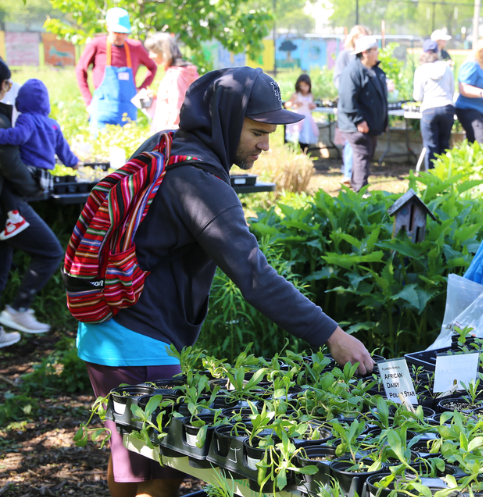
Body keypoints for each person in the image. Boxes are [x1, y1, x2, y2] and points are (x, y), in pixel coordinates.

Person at [76, 67, 374, 497]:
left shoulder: (169, 147)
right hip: (136, 343)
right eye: (256, 131)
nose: (265, 144)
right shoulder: (201, 182)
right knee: (161, 469)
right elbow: (254, 276)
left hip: (108, 330)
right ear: (226, 121)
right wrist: (331, 334)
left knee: (130, 456)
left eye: (270, 133)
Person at [0, 61, 64, 338]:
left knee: (1, 265)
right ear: (3, 85)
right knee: (50, 251)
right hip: (6, 204)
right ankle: (18, 309)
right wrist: (33, 188)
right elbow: (10, 163)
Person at [0, 79, 79, 240]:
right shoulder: (53, 124)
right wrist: (74, 163)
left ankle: (14, 218)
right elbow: (63, 150)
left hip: (28, 171)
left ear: (20, 101)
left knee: (5, 186)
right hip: (44, 177)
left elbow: (17, 137)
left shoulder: (27, 119)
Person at [75, 8, 158, 129]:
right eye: (117, 32)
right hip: (102, 110)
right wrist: (88, 101)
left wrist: (140, 89)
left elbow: (152, 67)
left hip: (128, 110)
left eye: (124, 33)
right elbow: (80, 70)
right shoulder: (97, 45)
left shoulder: (135, 47)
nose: (121, 36)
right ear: (107, 27)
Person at [338, 36, 389, 194]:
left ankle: (358, 189)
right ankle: (360, 193)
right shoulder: (353, 71)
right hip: (357, 126)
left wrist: (383, 121)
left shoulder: (375, 71)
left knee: (366, 155)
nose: (378, 52)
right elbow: (347, 98)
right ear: (365, 52)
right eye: (375, 49)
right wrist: (359, 120)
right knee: (362, 154)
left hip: (371, 125)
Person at [334, 25, 371, 188]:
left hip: (364, 107)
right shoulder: (345, 56)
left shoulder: (367, 57)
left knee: (357, 143)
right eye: (359, 38)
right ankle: (348, 173)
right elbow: (338, 80)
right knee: (351, 141)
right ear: (353, 39)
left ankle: (354, 176)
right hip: (349, 107)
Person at [143, 33, 200, 133]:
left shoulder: (176, 75)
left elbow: (177, 108)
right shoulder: (180, 72)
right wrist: (157, 97)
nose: (150, 56)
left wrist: (170, 137)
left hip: (172, 135)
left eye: (153, 52)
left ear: (164, 52)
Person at [413, 39, 455, 169]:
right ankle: (444, 177)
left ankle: (430, 180)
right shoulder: (447, 68)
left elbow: (417, 96)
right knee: (444, 145)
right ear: (437, 52)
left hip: (429, 110)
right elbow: (452, 91)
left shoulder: (421, 70)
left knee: (431, 146)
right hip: (447, 108)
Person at [454, 34, 483, 145]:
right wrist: (482, 93)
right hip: (468, 109)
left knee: (473, 143)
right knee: (481, 141)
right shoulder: (472, 65)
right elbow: (463, 88)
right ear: (482, 50)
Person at [285, 74, 319, 153]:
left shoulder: (310, 96)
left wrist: (313, 106)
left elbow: (312, 105)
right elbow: (287, 104)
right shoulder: (296, 95)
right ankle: (296, 153)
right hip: (297, 119)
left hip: (307, 120)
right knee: (296, 137)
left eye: (306, 85)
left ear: (309, 86)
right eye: (301, 85)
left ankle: (304, 153)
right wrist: (294, 103)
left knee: (306, 137)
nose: (303, 88)